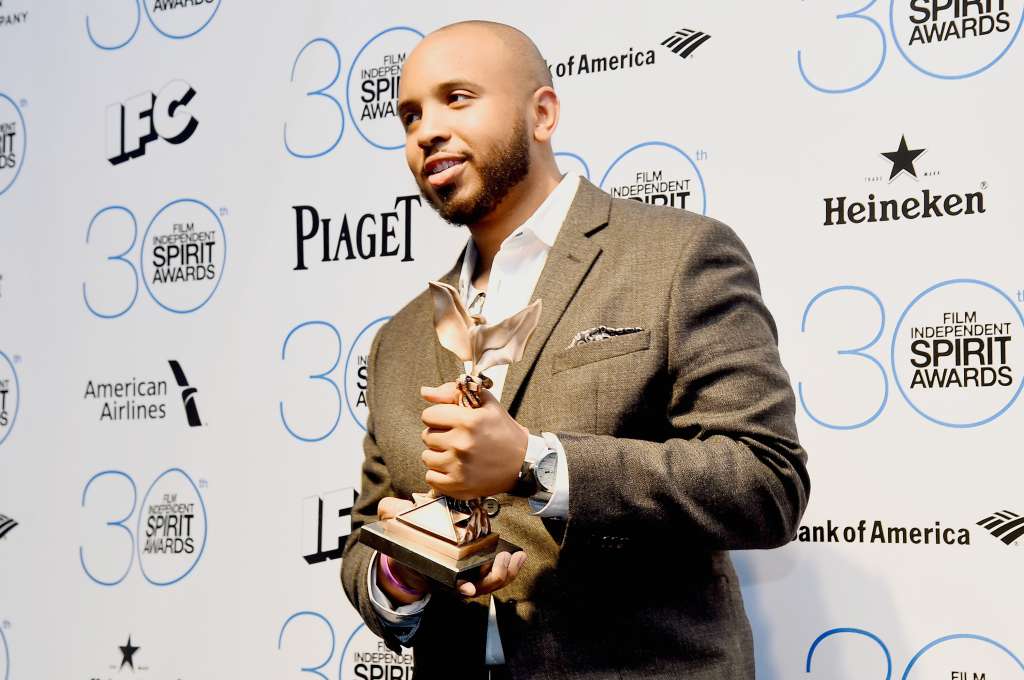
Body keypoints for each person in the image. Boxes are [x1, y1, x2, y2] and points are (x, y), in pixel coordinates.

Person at [340, 19, 810, 680]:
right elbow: (366, 533)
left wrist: (536, 462)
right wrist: (398, 569)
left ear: (542, 113)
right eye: (410, 115)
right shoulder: (401, 339)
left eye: (457, 97)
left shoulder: (676, 257)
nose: (427, 131)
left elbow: (766, 481)